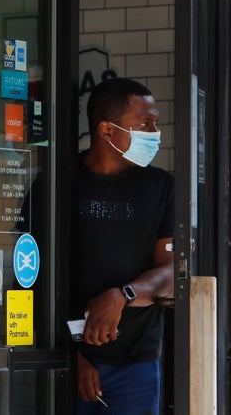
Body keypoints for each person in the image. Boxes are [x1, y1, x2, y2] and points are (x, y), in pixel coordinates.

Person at [74, 78, 175, 415]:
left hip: (136, 364)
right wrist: (72, 356)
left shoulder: (162, 187)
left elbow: (174, 273)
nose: (155, 132)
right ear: (106, 131)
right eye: (145, 124)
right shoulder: (57, 183)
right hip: (65, 363)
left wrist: (123, 295)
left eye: (155, 123)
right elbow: (28, 276)